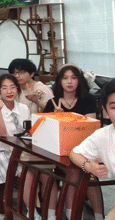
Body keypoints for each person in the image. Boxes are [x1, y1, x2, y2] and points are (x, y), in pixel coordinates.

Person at [42, 65, 101, 220]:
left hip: (84, 149)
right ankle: (72, 213)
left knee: (89, 175)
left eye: (74, 78)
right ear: (59, 81)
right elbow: (46, 131)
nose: (69, 82)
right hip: (59, 151)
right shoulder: (53, 102)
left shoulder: (87, 99)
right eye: (65, 78)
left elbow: (90, 128)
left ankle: (99, 215)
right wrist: (57, 118)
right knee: (75, 172)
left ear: (79, 80)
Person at [70, 80, 115, 220]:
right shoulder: (103, 136)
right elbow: (75, 153)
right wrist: (88, 166)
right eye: (114, 107)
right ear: (106, 112)